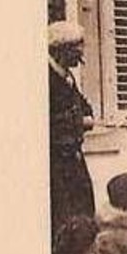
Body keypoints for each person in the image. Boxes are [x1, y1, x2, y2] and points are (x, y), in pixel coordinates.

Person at [47, 21, 96, 227]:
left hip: (73, 157)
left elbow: (86, 108)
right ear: (62, 49)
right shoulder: (45, 78)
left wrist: (78, 120)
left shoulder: (67, 76)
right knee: (64, 217)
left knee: (84, 210)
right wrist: (78, 122)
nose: (81, 55)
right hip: (57, 163)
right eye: (77, 48)